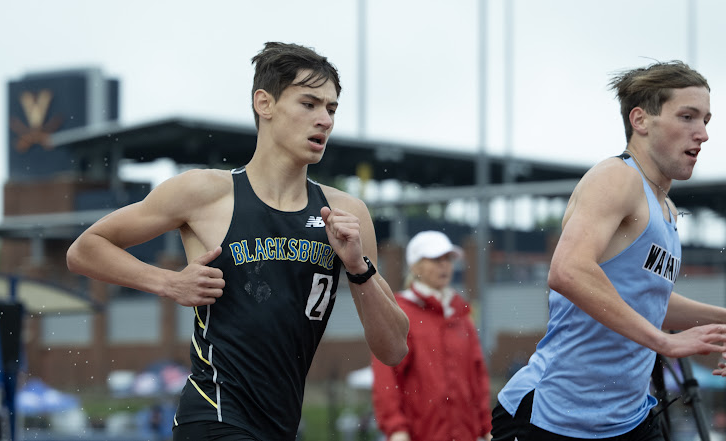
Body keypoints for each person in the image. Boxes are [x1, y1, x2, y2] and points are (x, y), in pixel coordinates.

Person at [66, 42, 409, 441]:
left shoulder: (347, 213)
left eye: (331, 109)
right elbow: (84, 249)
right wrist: (168, 282)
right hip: (213, 414)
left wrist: (357, 269)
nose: (325, 120)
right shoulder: (204, 193)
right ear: (264, 103)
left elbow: (394, 349)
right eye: (309, 104)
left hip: (281, 425)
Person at [492, 60, 726, 441]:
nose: (702, 133)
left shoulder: (665, 208)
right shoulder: (617, 177)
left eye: (706, 120)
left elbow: (645, 298)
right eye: (687, 117)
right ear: (641, 120)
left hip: (626, 421)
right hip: (552, 418)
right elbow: (568, 271)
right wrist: (665, 341)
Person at [372, 230, 492, 441]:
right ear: (415, 266)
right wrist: (396, 428)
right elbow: (387, 378)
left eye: (448, 259)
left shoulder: (461, 314)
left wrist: (487, 426)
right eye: (436, 259)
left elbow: (478, 377)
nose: (444, 265)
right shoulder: (400, 313)